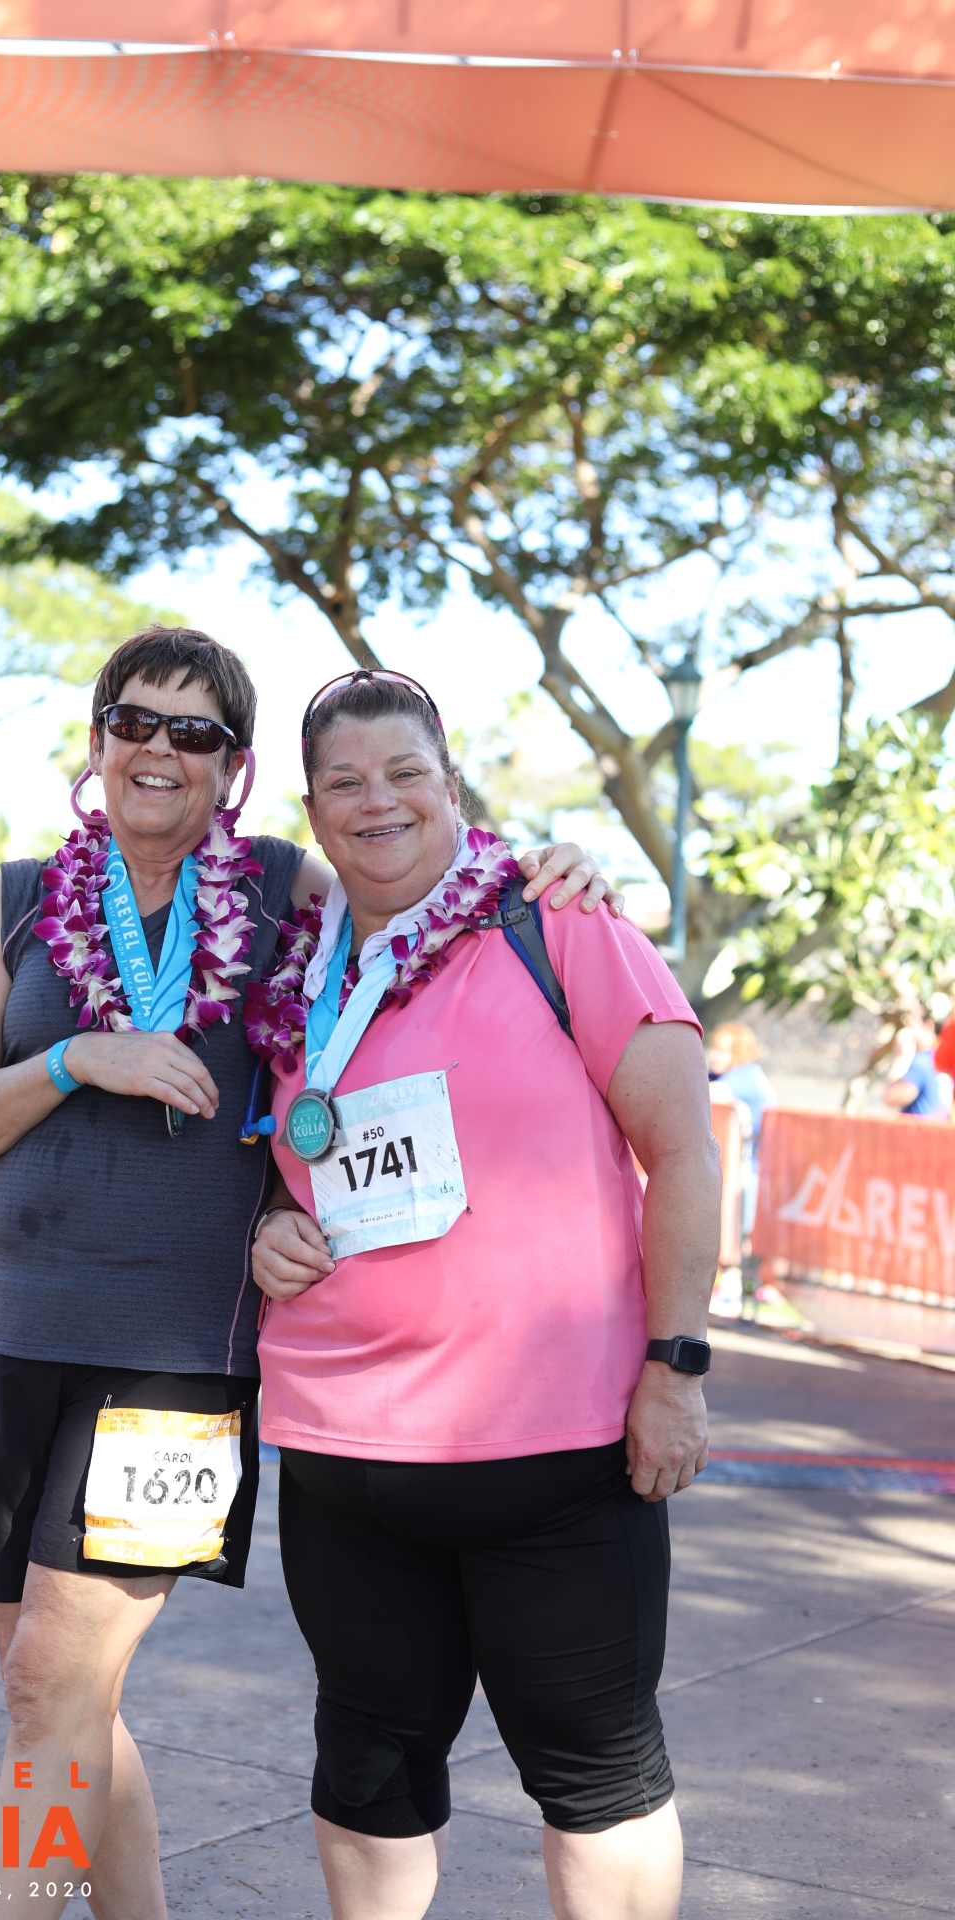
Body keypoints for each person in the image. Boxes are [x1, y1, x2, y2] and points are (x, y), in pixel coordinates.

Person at [0, 628, 621, 1920]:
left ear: (233, 769)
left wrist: (549, 864)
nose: (160, 750)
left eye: (195, 733)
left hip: (177, 1364)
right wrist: (77, 1060)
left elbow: (417, 869)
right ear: (97, 739)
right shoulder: (16, 899)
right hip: (13, 1336)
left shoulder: (281, 884)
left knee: (48, 1689)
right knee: (61, 1697)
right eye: (136, 721)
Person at [247, 672, 721, 1920]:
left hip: (555, 1462)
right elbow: (273, 1169)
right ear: (313, 812)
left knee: (596, 1779)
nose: (377, 800)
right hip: (345, 1460)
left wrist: (674, 1368)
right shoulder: (293, 974)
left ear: (450, 788)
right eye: (344, 782)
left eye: (404, 772)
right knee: (365, 1761)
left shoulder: (555, 925)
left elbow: (682, 1153)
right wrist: (266, 1227)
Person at [707, 1021, 777, 1232]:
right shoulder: (722, 1075)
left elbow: (710, 1093)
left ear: (738, 1052)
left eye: (721, 1050)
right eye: (713, 1048)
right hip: (733, 1170)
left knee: (739, 1236)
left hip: (750, 1173)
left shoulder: (746, 1075)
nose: (713, 1055)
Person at [884, 1009, 948, 1119]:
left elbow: (890, 1098)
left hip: (919, 1128)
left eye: (911, 1023)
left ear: (928, 1025)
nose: (908, 1029)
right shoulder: (941, 1059)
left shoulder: (922, 1062)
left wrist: (900, 1058)